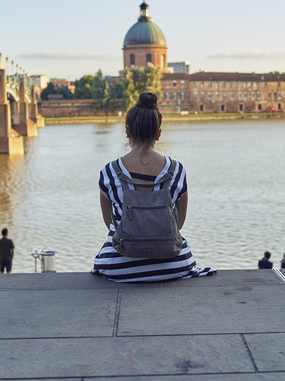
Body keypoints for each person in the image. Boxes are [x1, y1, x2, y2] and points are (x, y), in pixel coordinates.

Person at [92, 92, 216, 282]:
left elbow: (110, 224)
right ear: (158, 133)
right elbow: (178, 223)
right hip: (174, 265)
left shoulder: (109, 171)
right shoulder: (177, 170)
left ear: (127, 132)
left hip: (118, 266)